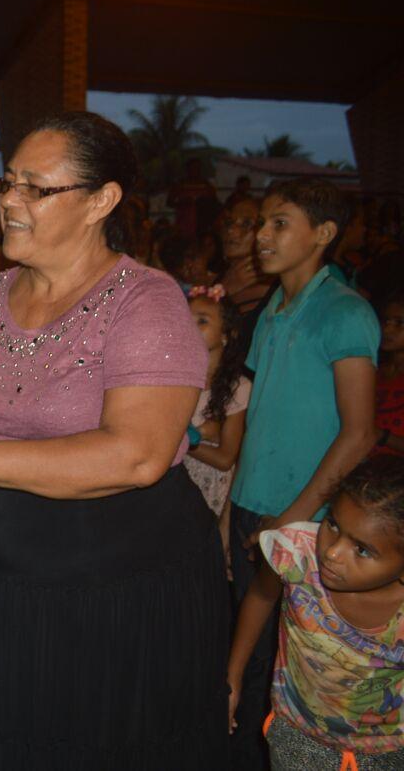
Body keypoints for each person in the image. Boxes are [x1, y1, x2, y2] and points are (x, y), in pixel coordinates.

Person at [0, 111, 228, 768]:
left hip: (127, 591)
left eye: (37, 188)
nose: (9, 200)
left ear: (101, 200)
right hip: (13, 586)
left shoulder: (144, 301)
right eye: (10, 183)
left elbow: (138, 452)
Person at [228, 179, 381, 768]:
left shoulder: (345, 311)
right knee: (247, 663)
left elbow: (360, 431)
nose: (261, 236)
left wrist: (289, 519)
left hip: (309, 522)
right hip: (256, 506)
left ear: (323, 234)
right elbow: (263, 419)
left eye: (279, 223)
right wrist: (231, 510)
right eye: (260, 223)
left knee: (289, 677)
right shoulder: (274, 306)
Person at [228, 457, 404, 769]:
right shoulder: (296, 554)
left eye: (362, 550)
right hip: (297, 735)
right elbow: (259, 596)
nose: (332, 551)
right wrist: (233, 676)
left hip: (387, 751)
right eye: (333, 524)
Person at [184, 284, 251, 520]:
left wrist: (179, 440)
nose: (189, 327)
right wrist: (199, 434)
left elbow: (224, 459)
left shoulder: (238, 388)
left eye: (202, 321)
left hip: (207, 490)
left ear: (226, 334)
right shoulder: (175, 379)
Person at [218, 195, 273, 323]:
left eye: (246, 223)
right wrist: (223, 289)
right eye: (229, 222)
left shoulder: (274, 291)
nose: (231, 230)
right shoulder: (222, 279)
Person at [376, 292, 404, 457]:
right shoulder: (374, 373)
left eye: (399, 323)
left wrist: (380, 436)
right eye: (385, 321)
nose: (387, 329)